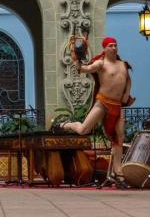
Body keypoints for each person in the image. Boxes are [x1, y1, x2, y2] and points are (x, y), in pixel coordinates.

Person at [54, 37, 133, 187]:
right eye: (111, 46)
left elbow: (128, 80)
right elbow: (84, 69)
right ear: (105, 48)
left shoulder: (123, 64)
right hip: (103, 102)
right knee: (84, 129)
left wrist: (126, 94)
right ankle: (67, 124)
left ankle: (118, 173)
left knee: (119, 138)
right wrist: (76, 58)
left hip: (117, 105)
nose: (114, 48)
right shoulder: (101, 63)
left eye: (115, 45)